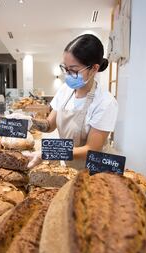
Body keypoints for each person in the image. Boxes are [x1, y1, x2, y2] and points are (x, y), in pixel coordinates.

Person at [27, 34, 118, 169]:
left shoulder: (105, 102)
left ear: (94, 68)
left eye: (74, 70)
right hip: (72, 166)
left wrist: (49, 152)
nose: (68, 75)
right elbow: (49, 125)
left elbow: (91, 149)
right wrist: (27, 122)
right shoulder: (65, 90)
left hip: (95, 171)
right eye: (65, 68)